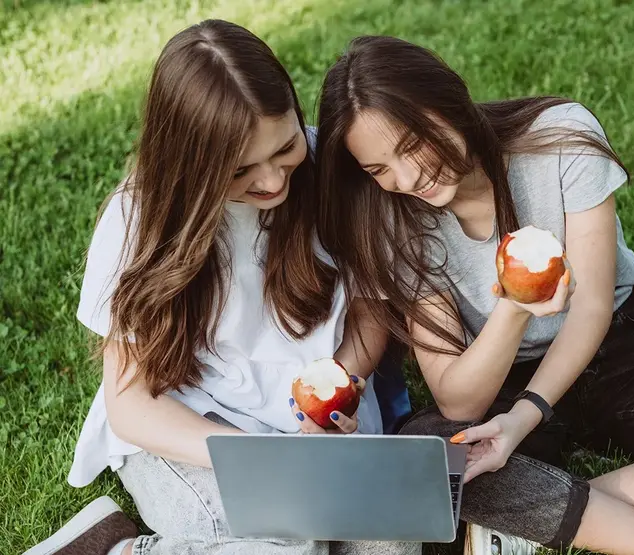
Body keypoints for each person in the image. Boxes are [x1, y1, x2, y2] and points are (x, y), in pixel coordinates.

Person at [313, 34, 634, 555]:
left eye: (410, 146)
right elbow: (458, 396)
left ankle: (548, 516)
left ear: (449, 104)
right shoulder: (387, 218)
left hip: (617, 350)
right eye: (378, 170)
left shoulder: (560, 137)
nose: (405, 179)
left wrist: (527, 418)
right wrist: (513, 309)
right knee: (427, 467)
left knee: (455, 497)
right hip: (496, 376)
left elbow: (591, 307)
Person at [23, 21, 418, 555]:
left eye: (285, 148)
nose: (274, 181)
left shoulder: (331, 172)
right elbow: (133, 405)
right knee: (288, 546)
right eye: (239, 171)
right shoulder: (136, 220)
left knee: (390, 546)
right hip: (192, 431)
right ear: (190, 165)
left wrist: (338, 387)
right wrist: (259, 455)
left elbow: (372, 310)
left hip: (320, 424)